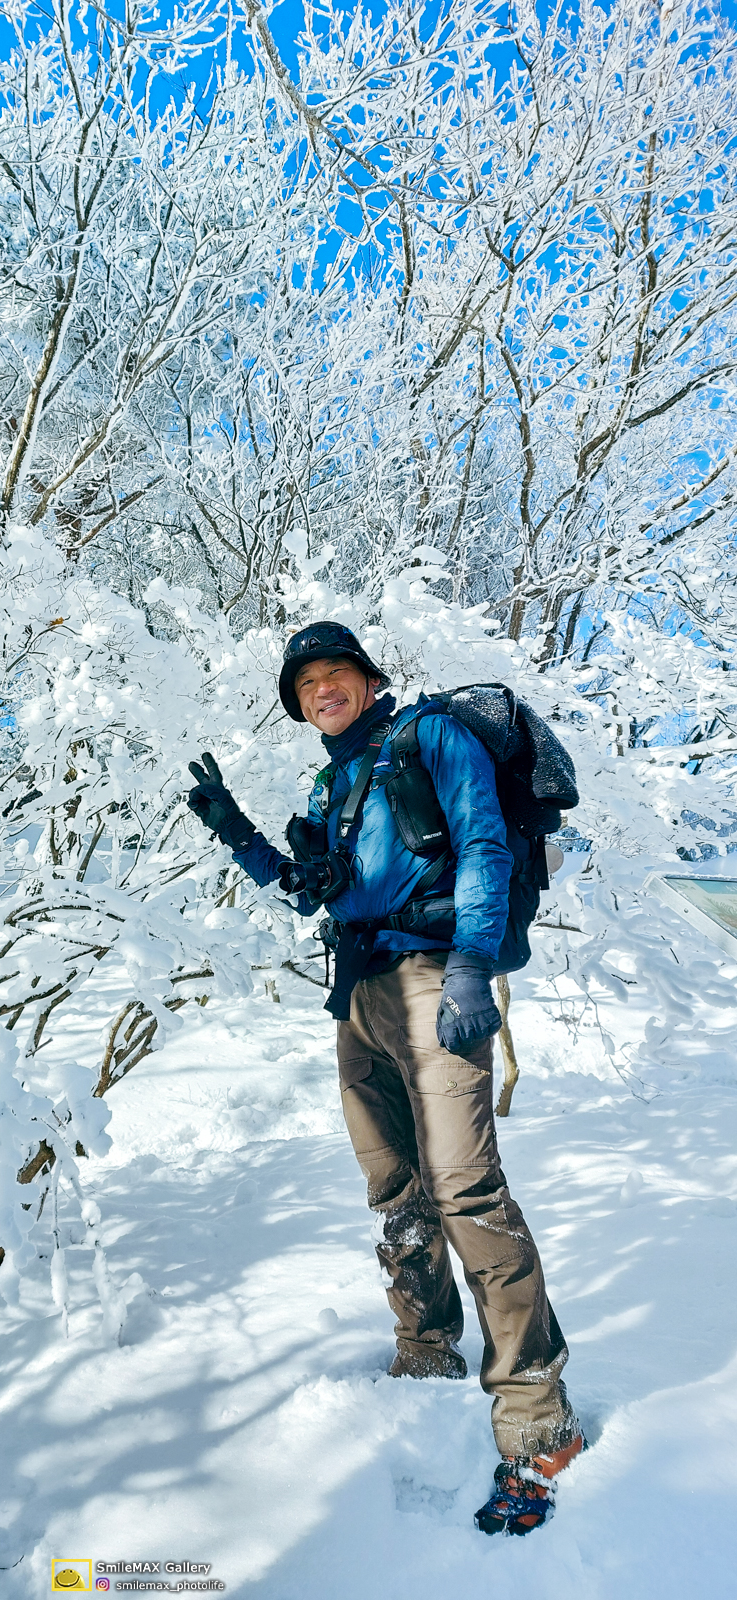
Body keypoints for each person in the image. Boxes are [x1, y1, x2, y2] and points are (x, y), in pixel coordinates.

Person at [186, 621, 583, 1537]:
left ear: (369, 680)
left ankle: (538, 1421)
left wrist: (474, 963)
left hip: (435, 979)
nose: (322, 689)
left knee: (466, 1189)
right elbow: (312, 889)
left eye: (337, 673)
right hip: (359, 995)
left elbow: (482, 842)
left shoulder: (428, 737)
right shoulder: (335, 785)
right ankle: (425, 1350)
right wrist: (235, 830)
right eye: (305, 684)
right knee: (395, 1189)